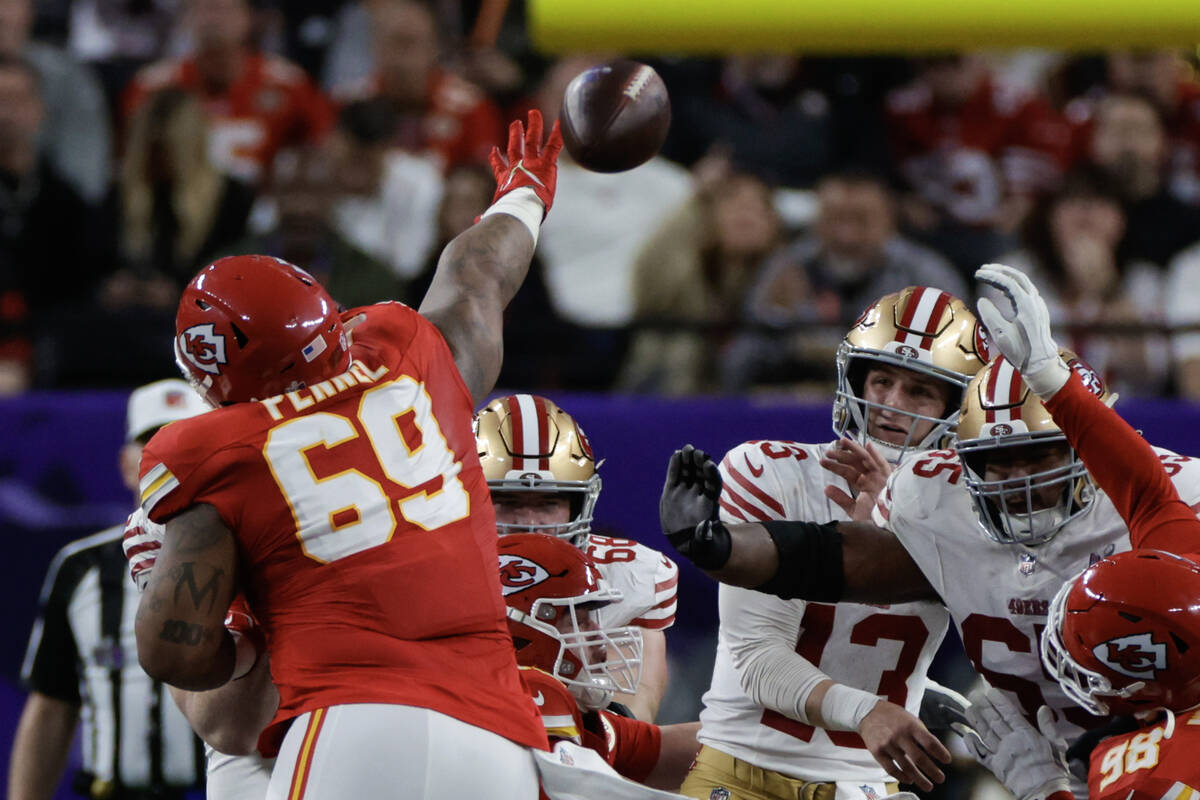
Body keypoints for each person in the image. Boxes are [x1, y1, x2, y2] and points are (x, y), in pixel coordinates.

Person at [128, 110, 562, 799]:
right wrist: (525, 193)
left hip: (353, 722)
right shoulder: (409, 352)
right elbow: (478, 272)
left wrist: (243, 643)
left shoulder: (211, 450)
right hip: (501, 735)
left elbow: (171, 645)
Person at [658, 310, 1200, 798]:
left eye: (1038, 457)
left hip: (1164, 737)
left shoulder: (1174, 497)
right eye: (996, 461)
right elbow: (841, 560)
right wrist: (725, 549)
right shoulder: (932, 497)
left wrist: (1041, 787)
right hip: (1077, 758)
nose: (1017, 482)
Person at [679, 287, 988, 800]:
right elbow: (756, 659)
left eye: (919, 392)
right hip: (744, 773)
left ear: (959, 410)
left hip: (868, 785)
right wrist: (867, 707)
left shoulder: (965, 508)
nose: (891, 405)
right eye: (882, 380)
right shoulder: (773, 473)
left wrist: (894, 518)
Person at [946, 263, 1200, 800]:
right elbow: (1149, 491)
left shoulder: (1148, 768)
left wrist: (1041, 785)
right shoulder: (1186, 571)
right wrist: (1052, 381)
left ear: (1142, 691)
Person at [9, 379, 209, 800]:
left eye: (188, 440)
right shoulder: (80, 567)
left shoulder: (254, 558)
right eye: (152, 441)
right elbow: (51, 704)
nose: (169, 456)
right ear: (125, 463)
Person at [475, 394, 680, 722]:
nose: (530, 523)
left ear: (578, 504)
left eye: (548, 504)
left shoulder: (627, 574)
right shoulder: (431, 570)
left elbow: (630, 725)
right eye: (509, 502)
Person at [499, 533, 700, 792]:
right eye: (578, 620)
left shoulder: (581, 718)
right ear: (522, 633)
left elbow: (666, 750)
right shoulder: (533, 699)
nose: (599, 633)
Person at [121, 0, 333, 184]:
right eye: (204, 8)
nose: (214, 19)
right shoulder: (153, 86)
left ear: (248, 17)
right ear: (186, 18)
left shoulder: (289, 85)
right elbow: (130, 157)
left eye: (224, 9)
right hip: (178, 204)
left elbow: (322, 149)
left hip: (260, 211)